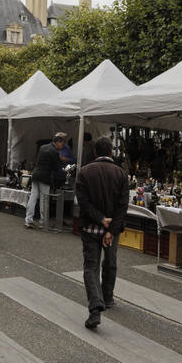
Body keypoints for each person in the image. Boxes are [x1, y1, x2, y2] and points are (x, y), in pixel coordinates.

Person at [75, 136, 129, 329]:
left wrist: (100, 219)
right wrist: (111, 229)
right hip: (112, 230)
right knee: (110, 262)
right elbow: (123, 206)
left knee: (91, 266)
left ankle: (95, 308)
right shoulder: (121, 173)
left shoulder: (84, 172)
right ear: (112, 152)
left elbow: (83, 202)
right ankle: (107, 297)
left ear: (95, 152)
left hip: (90, 227)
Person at [25, 132, 66, 229]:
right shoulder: (54, 152)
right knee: (44, 199)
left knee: (33, 197)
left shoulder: (42, 147)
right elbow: (57, 167)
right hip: (45, 177)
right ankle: (43, 222)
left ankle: (28, 220)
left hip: (36, 174)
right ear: (58, 142)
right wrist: (62, 163)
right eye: (62, 144)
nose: (62, 146)